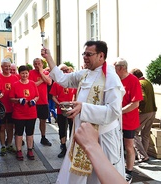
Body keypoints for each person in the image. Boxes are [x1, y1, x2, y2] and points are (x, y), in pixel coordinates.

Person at [41, 41, 126, 184]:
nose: (85, 57)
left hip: (103, 137)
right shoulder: (86, 73)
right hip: (83, 133)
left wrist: (83, 108)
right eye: (84, 54)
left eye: (89, 54)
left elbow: (114, 111)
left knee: (100, 175)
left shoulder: (111, 77)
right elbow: (63, 79)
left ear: (101, 56)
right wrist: (49, 58)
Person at [114, 59, 143, 183]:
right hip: (115, 120)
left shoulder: (133, 81)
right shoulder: (116, 80)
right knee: (116, 145)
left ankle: (129, 171)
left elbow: (135, 103)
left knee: (129, 146)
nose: (113, 70)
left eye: (114, 67)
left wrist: (118, 112)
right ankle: (117, 168)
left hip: (128, 120)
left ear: (121, 68)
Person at [10, 65, 39, 160]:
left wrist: (34, 101)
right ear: (19, 74)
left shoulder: (32, 84)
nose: (25, 75)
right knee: (19, 133)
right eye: (22, 73)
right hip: (19, 114)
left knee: (30, 132)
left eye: (26, 73)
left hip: (31, 113)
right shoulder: (15, 85)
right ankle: (19, 150)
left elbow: (37, 96)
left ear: (28, 73)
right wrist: (18, 100)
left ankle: (30, 149)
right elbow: (11, 98)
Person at [49, 64, 77, 158]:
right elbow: (53, 96)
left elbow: (76, 95)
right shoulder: (57, 83)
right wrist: (59, 103)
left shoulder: (73, 83)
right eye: (63, 70)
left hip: (71, 108)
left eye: (67, 70)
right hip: (61, 110)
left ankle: (71, 146)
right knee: (62, 128)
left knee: (72, 128)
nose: (65, 72)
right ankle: (63, 146)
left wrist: (74, 103)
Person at [130, 68, 157, 163]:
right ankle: (144, 154)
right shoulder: (148, 82)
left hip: (144, 112)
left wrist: (134, 105)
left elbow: (143, 98)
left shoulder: (140, 83)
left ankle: (143, 155)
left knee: (133, 133)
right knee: (145, 134)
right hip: (152, 111)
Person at [29, 58, 52, 146]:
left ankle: (43, 137)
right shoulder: (30, 73)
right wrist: (42, 80)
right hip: (34, 100)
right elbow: (32, 84)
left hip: (43, 101)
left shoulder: (45, 73)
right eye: (35, 63)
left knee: (43, 120)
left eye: (39, 63)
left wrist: (42, 73)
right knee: (32, 121)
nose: (37, 65)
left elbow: (49, 82)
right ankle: (31, 139)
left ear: (42, 64)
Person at [0, 59, 18, 156]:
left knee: (10, 128)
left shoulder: (15, 77)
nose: (8, 68)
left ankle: (9, 144)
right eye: (6, 66)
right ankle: (2, 146)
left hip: (12, 107)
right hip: (1, 108)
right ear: (1, 67)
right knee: (2, 128)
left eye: (9, 66)